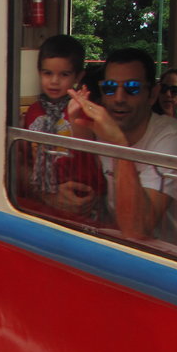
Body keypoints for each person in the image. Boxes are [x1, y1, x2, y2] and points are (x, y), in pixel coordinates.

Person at [67, 47, 177, 265]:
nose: (119, 98)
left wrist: (119, 145)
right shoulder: (100, 130)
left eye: (132, 88)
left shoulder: (172, 135)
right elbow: (86, 191)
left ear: (153, 95)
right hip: (140, 261)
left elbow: (137, 229)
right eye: (110, 88)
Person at [16, 34, 106, 217]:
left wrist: (75, 115)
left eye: (64, 74)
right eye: (47, 73)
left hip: (81, 193)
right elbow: (25, 154)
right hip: (44, 195)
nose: (54, 81)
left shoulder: (84, 109)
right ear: (39, 72)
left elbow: (85, 146)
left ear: (78, 76)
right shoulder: (33, 110)